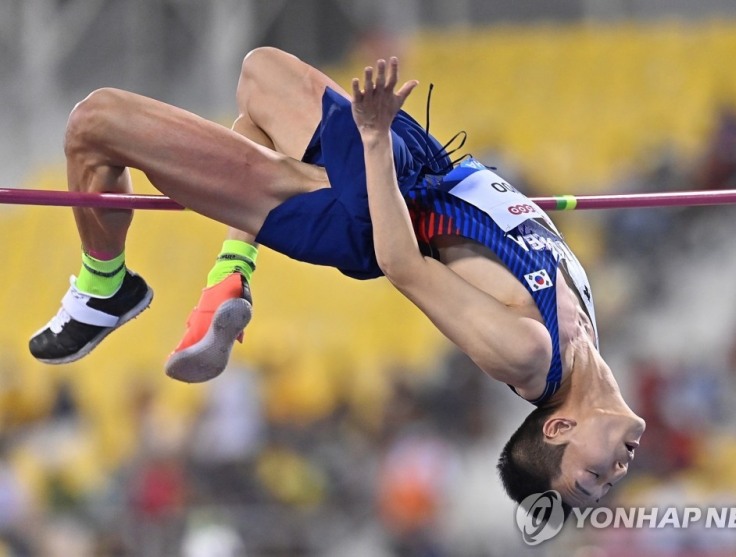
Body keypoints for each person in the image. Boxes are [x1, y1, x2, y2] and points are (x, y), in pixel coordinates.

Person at [28, 47, 645, 509]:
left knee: (94, 123)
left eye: (590, 479)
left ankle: (106, 286)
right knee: (260, 71)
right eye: (599, 484)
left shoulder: (528, 356)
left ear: (559, 428)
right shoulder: (585, 327)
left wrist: (373, 140)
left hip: (367, 209)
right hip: (417, 169)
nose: (612, 477)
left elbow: (404, 266)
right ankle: (230, 272)